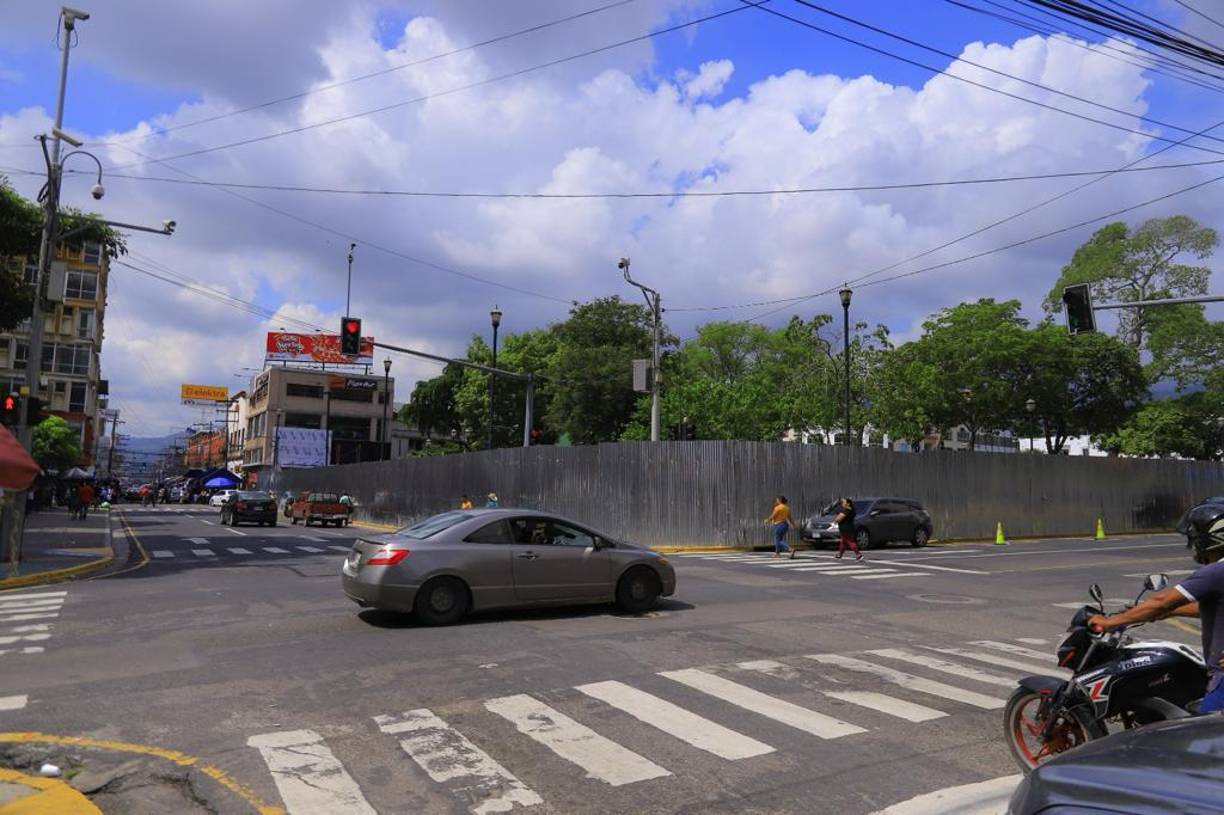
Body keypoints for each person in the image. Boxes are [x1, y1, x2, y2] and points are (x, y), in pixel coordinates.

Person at [1089, 503, 1224, 713]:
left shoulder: (1215, 572)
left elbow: (1161, 601)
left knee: (1207, 735)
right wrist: (1171, 612)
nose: (1193, 543)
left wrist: (1110, 622)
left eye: (1196, 536)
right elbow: (1208, 607)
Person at [833, 497, 863, 561]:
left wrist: (835, 521)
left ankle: (858, 554)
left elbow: (839, 518)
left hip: (845, 528)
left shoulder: (846, 510)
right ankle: (839, 555)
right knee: (843, 542)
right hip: (849, 527)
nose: (842, 504)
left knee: (849, 541)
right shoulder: (851, 510)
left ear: (848, 503)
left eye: (844, 502)